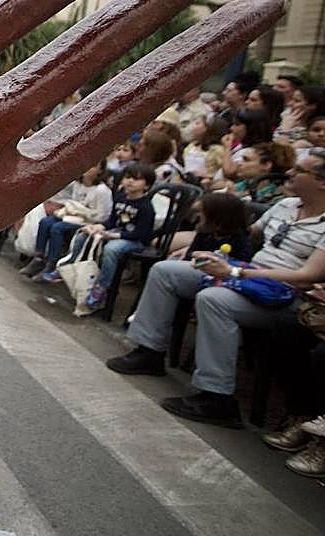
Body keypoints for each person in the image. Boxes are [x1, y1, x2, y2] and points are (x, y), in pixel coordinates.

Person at [107, 148, 325, 428]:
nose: (290, 173)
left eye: (301, 170)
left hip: (282, 295)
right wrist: (203, 248)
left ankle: (217, 397)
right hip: (245, 275)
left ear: (321, 181)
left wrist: (236, 271)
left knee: (214, 299)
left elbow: (307, 276)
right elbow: (245, 232)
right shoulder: (286, 205)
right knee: (166, 271)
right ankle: (149, 353)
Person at [64, 162, 157, 312]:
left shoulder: (146, 207)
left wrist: (112, 235)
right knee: (83, 235)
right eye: (128, 177)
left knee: (111, 249)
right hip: (116, 232)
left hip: (134, 240)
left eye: (136, 179)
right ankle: (73, 267)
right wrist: (98, 227)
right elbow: (111, 221)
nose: (130, 181)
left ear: (147, 185)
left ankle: (103, 286)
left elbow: (141, 234)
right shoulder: (120, 198)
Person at [23, 160, 113, 281]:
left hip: (88, 222)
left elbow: (103, 216)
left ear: (100, 171)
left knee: (57, 228)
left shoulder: (102, 190)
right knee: (46, 222)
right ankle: (39, 258)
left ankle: (52, 263)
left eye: (93, 166)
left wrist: (81, 213)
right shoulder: (78, 184)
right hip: (71, 216)